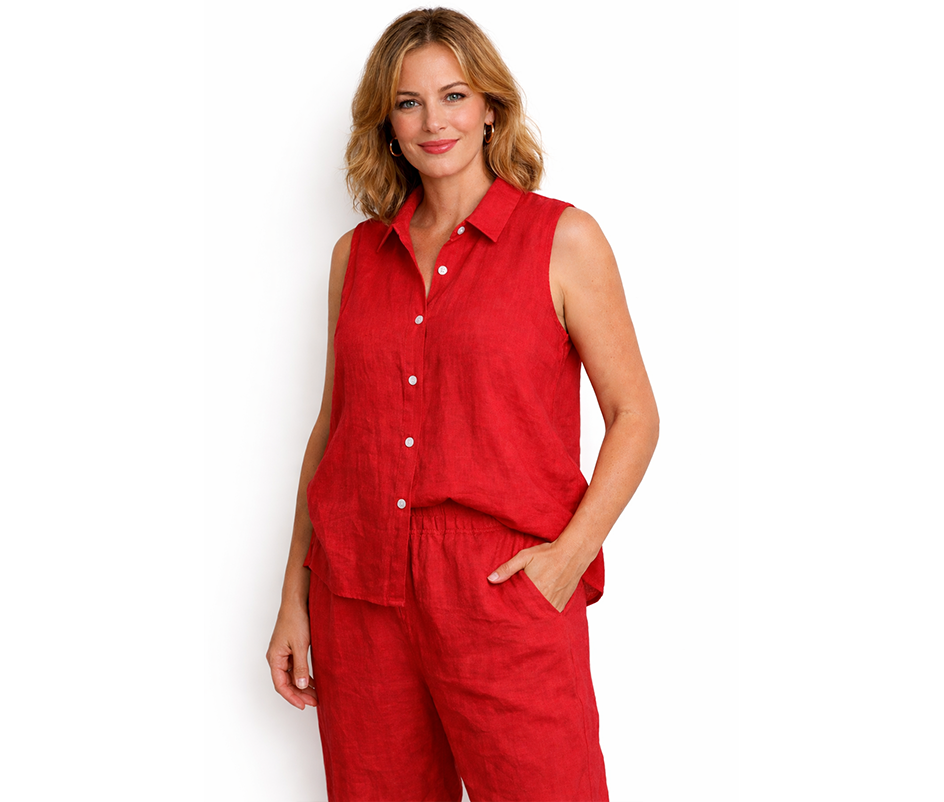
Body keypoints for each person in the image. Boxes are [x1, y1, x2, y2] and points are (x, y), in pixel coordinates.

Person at [266, 7, 659, 801]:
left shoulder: (563, 240)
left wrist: (567, 559)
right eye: (409, 103)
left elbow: (635, 415)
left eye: (453, 96)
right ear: (387, 123)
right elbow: (335, 431)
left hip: (500, 590)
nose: (433, 122)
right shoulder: (356, 257)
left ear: (490, 108)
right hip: (359, 592)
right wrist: (293, 597)